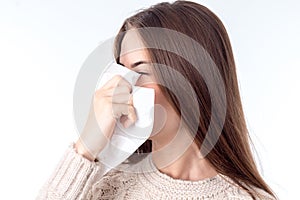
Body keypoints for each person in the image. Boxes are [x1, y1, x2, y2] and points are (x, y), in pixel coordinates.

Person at [37, 1, 277, 199]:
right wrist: (86, 146)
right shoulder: (110, 189)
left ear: (192, 80)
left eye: (140, 72)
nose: (123, 88)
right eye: (121, 72)